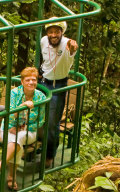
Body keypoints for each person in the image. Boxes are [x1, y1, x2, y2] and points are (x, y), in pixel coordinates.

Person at [0, 67, 46, 190]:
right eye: (28, 80)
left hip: (29, 131)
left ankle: (0, 166)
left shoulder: (40, 97)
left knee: (19, 137)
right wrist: (23, 106)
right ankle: (11, 177)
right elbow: (9, 114)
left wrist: (23, 127)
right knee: (16, 142)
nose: (31, 82)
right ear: (22, 82)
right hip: (8, 128)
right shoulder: (14, 94)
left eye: (34, 80)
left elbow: (40, 121)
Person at [39, 17, 78, 168]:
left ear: (62, 32)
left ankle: (49, 155)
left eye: (57, 32)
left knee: (52, 123)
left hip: (58, 86)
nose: (53, 35)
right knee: (37, 117)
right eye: (51, 31)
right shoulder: (43, 41)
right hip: (43, 84)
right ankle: (34, 148)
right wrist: (40, 71)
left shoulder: (67, 44)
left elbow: (72, 48)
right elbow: (45, 59)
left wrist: (73, 47)